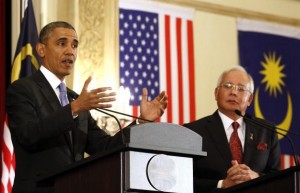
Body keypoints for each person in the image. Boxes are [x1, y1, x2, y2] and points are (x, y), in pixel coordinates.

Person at [6, 21, 168, 193]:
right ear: (41, 50)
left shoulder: (74, 98)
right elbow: (28, 134)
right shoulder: (23, 89)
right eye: (62, 43)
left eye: (74, 45)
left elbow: (105, 147)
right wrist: (74, 109)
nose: (70, 51)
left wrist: (141, 122)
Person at [183, 66, 281, 193]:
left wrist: (256, 177)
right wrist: (222, 184)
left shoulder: (267, 131)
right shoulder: (193, 131)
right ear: (216, 93)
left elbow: (277, 177)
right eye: (228, 86)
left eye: (241, 88)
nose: (234, 92)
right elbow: (184, 180)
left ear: (250, 99)